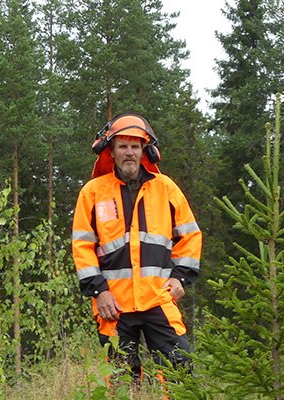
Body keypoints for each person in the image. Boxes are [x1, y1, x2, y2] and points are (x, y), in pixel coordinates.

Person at [72, 113, 202, 383]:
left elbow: (190, 235)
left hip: (158, 297)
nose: (129, 152)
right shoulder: (93, 192)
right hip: (113, 304)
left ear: (145, 151)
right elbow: (82, 246)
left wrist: (180, 277)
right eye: (122, 146)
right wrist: (99, 291)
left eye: (135, 146)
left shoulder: (166, 188)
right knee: (120, 381)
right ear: (111, 151)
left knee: (180, 370)